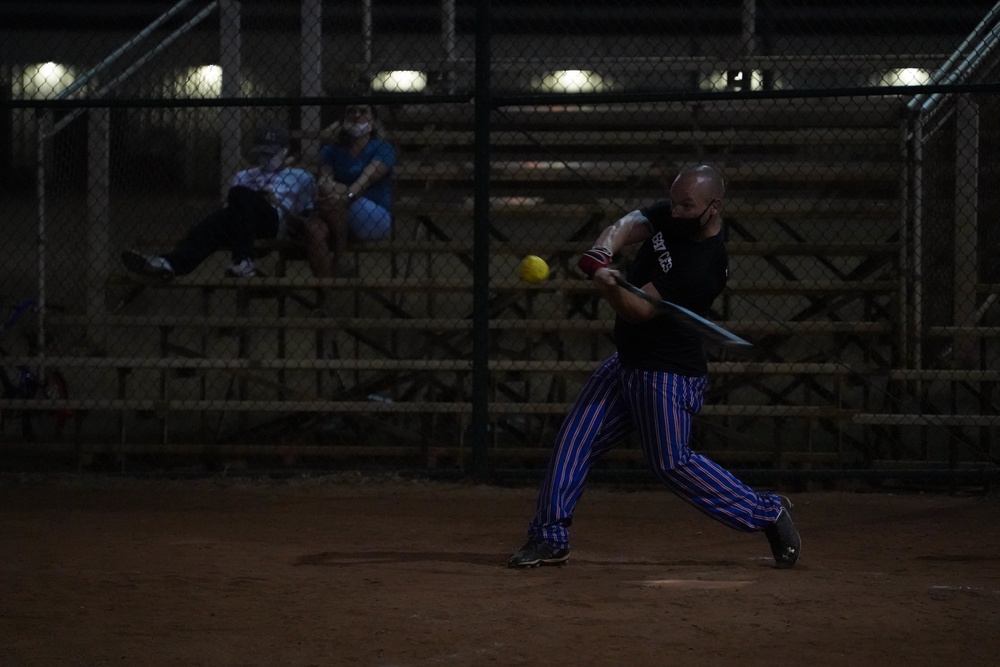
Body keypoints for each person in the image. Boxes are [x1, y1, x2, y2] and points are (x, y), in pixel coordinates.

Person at [507, 164, 802, 570]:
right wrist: (602, 251)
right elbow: (631, 222)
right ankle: (549, 538)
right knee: (574, 442)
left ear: (713, 208)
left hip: (666, 375)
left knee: (671, 463)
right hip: (626, 361)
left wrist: (608, 287)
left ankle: (767, 511)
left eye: (687, 206)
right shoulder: (677, 211)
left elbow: (637, 311)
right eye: (675, 201)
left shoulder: (703, 264)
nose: (675, 211)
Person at [121, 123, 316, 280]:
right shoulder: (244, 175)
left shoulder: (301, 177)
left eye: (270, 153)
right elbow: (232, 210)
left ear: (284, 151)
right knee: (217, 219)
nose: (264, 158)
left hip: (272, 222)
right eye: (261, 153)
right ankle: (171, 264)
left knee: (240, 194)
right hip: (241, 226)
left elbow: (303, 219)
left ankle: (243, 261)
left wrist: (275, 202)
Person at [305, 104, 395, 290]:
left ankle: (341, 256)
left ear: (373, 120)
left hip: (372, 214)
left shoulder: (383, 148)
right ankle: (326, 295)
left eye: (363, 111)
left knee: (332, 197)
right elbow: (324, 180)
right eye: (351, 111)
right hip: (336, 211)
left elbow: (365, 180)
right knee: (316, 230)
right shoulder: (331, 150)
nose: (356, 115)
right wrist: (337, 193)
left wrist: (345, 194)